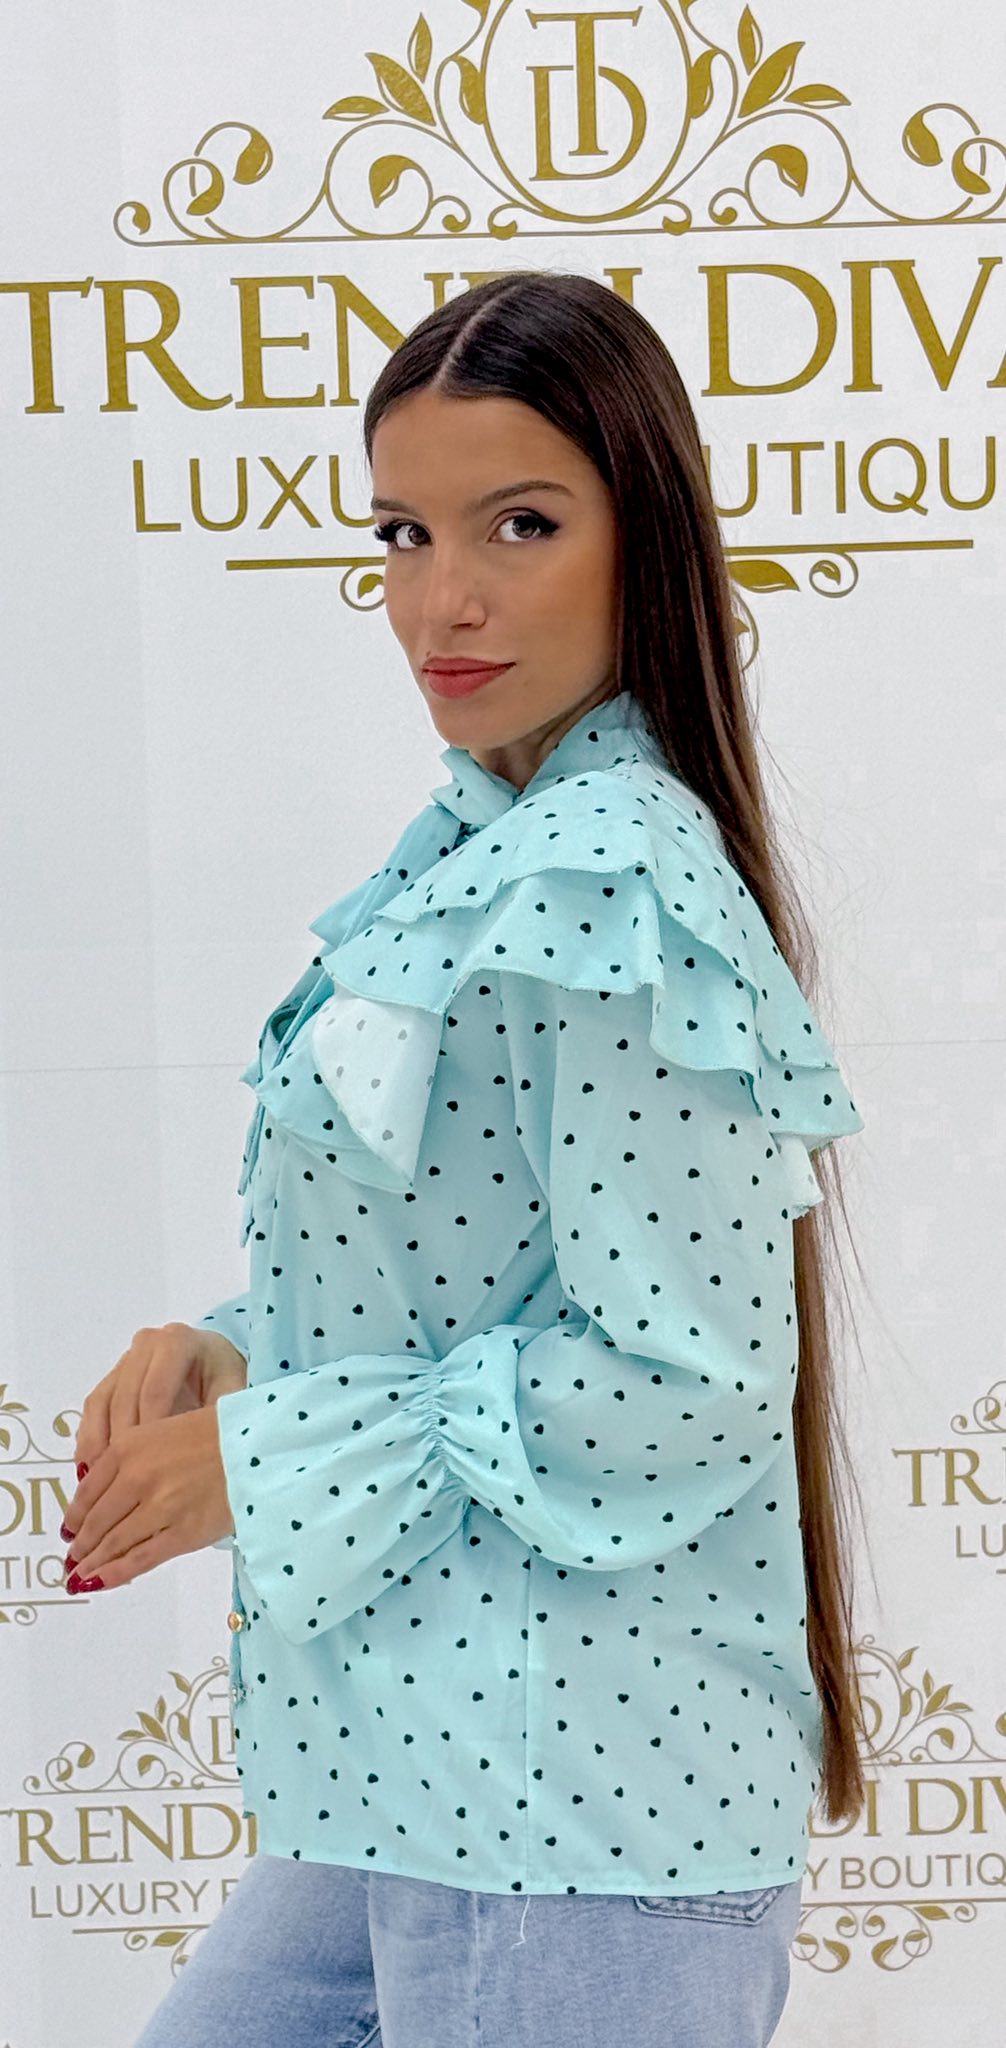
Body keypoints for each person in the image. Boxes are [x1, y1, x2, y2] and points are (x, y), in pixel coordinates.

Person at [62, 272, 867, 2047]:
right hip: (412, 1763)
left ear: (643, 537)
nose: (444, 598)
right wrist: (231, 1352)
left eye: (520, 524)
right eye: (402, 533)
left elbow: (686, 1377)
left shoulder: (613, 879)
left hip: (578, 1802)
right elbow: (460, 1281)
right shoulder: (482, 844)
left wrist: (263, 1465)